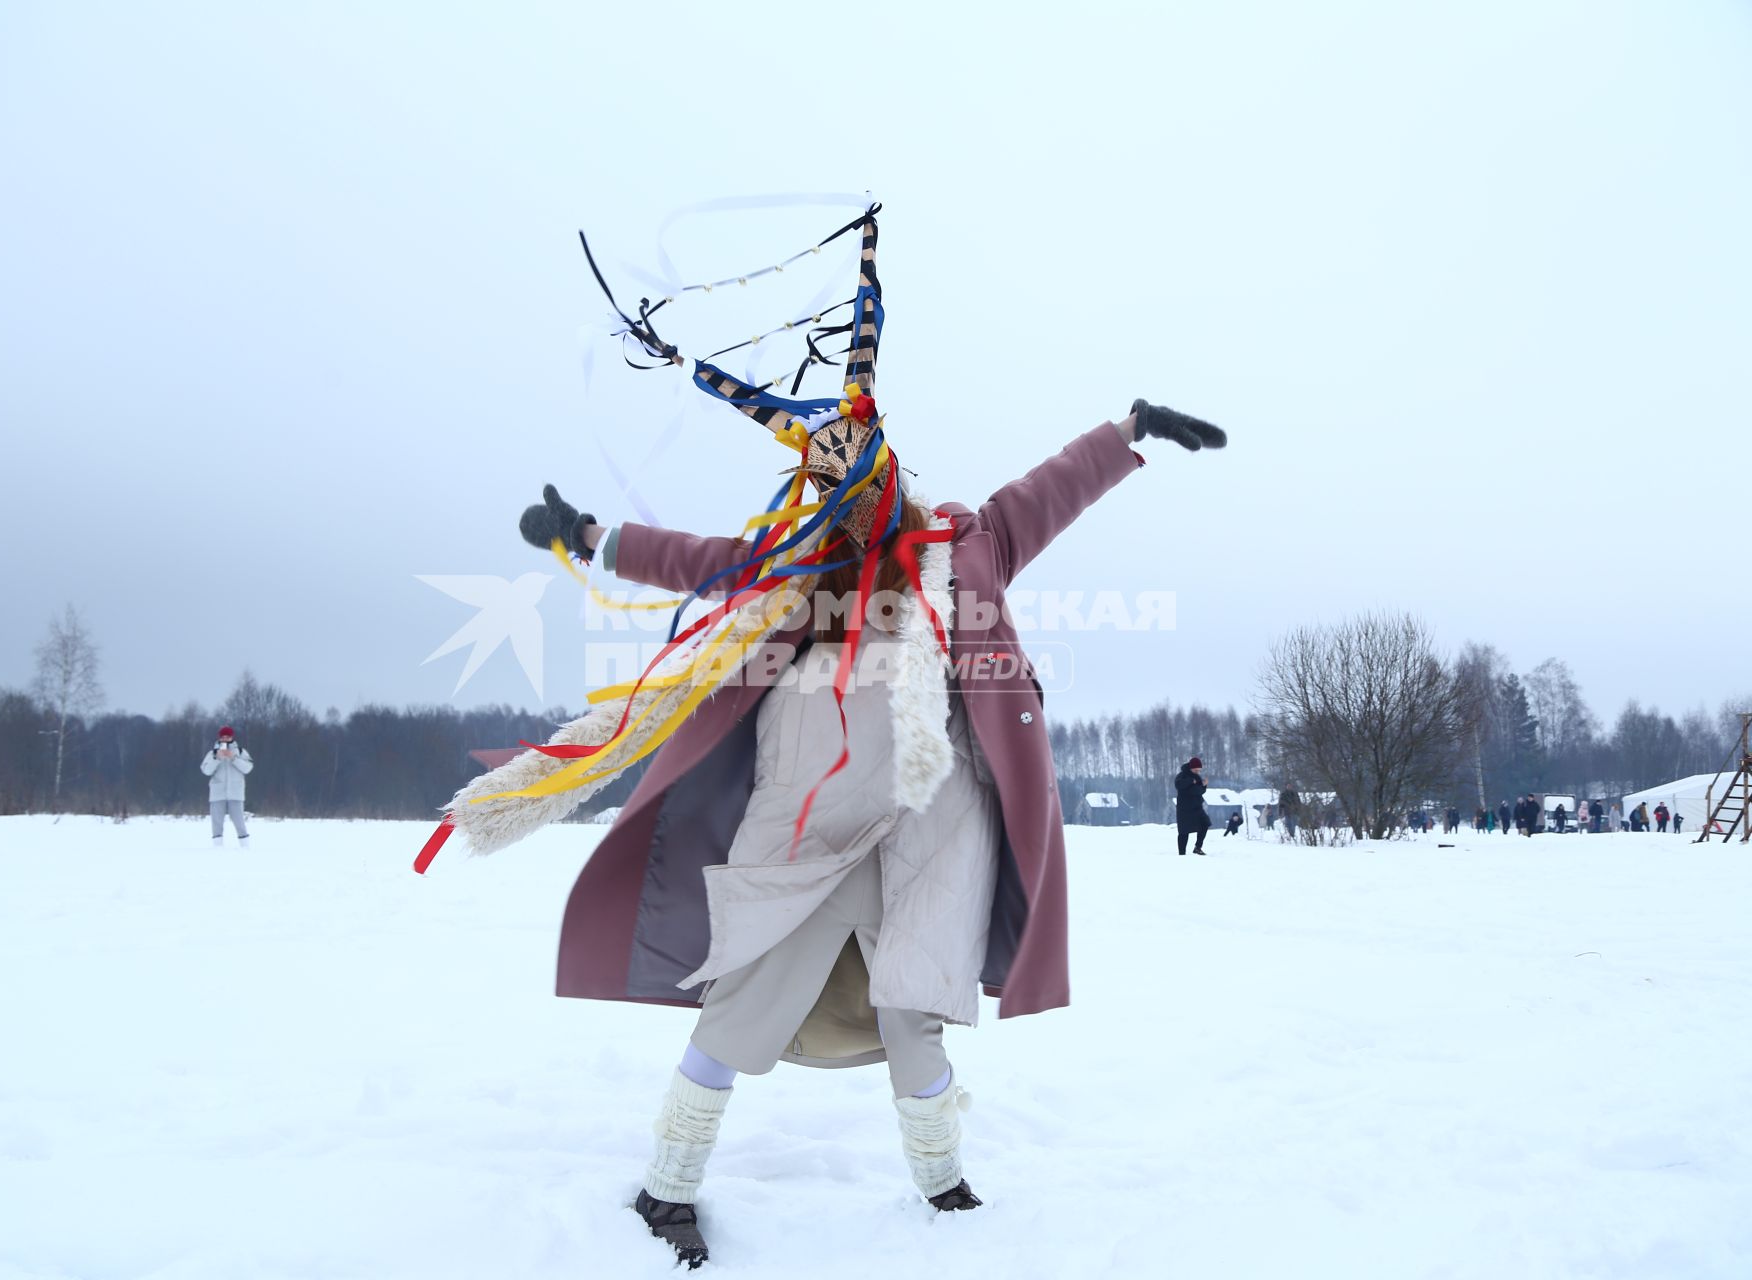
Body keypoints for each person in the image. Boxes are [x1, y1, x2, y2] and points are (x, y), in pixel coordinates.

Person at [432, 205, 1230, 1270]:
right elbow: (695, 557)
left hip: (932, 821)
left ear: (887, 472)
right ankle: (666, 1188)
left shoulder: (963, 543)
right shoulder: (791, 572)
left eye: (854, 480)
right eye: (824, 485)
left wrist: (1128, 429)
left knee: (918, 1003)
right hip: (805, 815)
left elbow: (1048, 492)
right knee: (749, 990)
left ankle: (945, 1189)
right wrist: (589, 534)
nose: (842, 505)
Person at [199, 725, 254, 847]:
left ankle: (245, 846)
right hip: (217, 793)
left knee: (239, 821)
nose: (225, 739)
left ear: (232, 737)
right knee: (217, 822)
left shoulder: (240, 752)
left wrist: (233, 758)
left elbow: (247, 768)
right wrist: (217, 759)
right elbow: (206, 771)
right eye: (223, 737)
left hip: (236, 792)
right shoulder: (212, 753)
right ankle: (218, 847)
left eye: (227, 737)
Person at [1176, 757, 1212, 855]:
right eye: (1196, 770)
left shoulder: (1197, 777)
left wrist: (1204, 785)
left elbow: (1200, 791)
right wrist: (1191, 782)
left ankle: (1198, 847)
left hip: (1197, 807)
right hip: (1184, 809)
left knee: (1205, 823)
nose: (1197, 772)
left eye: (1199, 770)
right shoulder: (1182, 775)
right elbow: (1178, 785)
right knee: (1184, 832)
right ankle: (1182, 854)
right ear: (1191, 768)